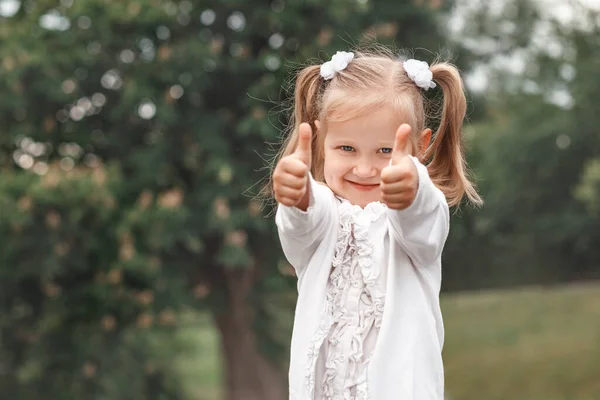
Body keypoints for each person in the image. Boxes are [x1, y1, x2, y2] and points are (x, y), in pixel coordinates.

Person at [271, 47, 482, 400]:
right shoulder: (323, 218)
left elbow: (423, 217)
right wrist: (297, 191)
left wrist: (412, 187)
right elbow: (302, 221)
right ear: (322, 141)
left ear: (420, 147)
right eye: (347, 149)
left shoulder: (415, 223)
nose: (365, 169)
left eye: (385, 151)